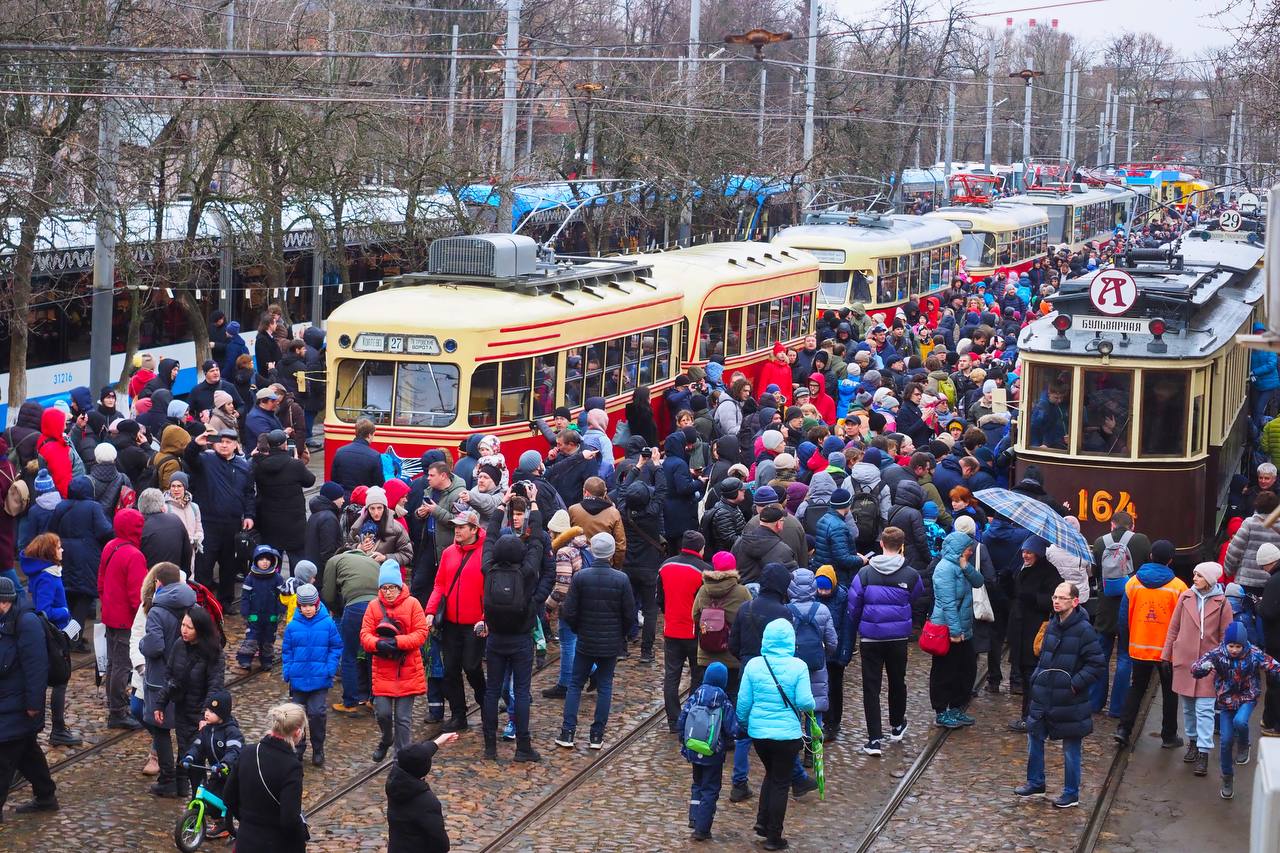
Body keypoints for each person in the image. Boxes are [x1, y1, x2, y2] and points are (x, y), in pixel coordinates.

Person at [1016, 581, 1106, 809]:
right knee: (1034, 736)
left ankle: (1071, 792)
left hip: (1069, 700)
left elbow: (1096, 664)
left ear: (1074, 602)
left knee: (1070, 748)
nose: (1056, 601)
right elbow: (1044, 657)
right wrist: (1036, 678)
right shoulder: (1052, 624)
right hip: (1044, 695)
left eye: (1061, 598)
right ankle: (1035, 782)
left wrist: (1073, 685)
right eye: (1054, 597)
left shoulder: (1084, 630)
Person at [736, 618, 816, 851]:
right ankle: (774, 836)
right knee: (781, 781)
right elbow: (804, 702)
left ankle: (762, 822)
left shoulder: (754, 665)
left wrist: (745, 724)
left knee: (771, 775)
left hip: (760, 735)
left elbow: (743, 703)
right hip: (787, 736)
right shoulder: (798, 666)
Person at [556, 533, 636, 750]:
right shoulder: (621, 579)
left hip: (586, 640)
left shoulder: (582, 577)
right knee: (605, 686)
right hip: (610, 643)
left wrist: (578, 629)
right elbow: (629, 614)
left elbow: (569, 611)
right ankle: (597, 735)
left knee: (575, 684)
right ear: (611, 553)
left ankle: (568, 731)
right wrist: (623, 635)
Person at [848, 526, 924, 754]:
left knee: (871, 687)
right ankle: (897, 724)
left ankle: (873, 739)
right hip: (898, 637)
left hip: (871, 638)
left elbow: (854, 605)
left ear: (881, 543)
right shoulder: (910, 574)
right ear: (902, 545)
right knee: (897, 680)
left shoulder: (865, 574)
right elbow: (916, 596)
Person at [478, 509, 545, 763]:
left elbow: (490, 538)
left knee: (492, 692)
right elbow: (537, 541)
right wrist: (535, 507)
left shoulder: (488, 569)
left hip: (495, 639)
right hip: (521, 639)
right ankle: (523, 747)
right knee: (523, 691)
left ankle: (489, 747)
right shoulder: (526, 572)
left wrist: (499, 509)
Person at [1192, 621, 1280, 800]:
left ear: (1244, 644)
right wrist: (1203, 669)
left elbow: (1273, 665)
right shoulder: (1217, 654)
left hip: (1247, 697)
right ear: (1226, 643)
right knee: (1225, 741)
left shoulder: (1253, 653)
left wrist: (1274, 672)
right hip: (1226, 701)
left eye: (1238, 646)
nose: (1234, 650)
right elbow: (1196, 667)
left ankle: (1244, 744)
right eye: (1231, 645)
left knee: (1240, 722)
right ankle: (1227, 777)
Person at [1161, 562, 1233, 776]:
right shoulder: (1185, 597)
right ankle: (1192, 741)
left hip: (1209, 664)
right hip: (1185, 661)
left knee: (1205, 709)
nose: (1194, 578)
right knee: (1188, 708)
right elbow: (1174, 627)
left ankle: (1203, 751)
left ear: (1210, 579)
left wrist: (1223, 662)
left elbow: (1226, 636)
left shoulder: (1222, 603)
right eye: (1194, 574)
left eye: (1199, 575)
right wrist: (1166, 655)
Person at [1115, 539, 1188, 749]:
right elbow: (1183, 621)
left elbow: (1122, 618)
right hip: (1166, 650)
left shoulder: (1133, 583)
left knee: (1137, 687)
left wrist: (1126, 642)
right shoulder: (1179, 587)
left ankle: (1124, 729)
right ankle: (1169, 736)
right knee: (1169, 692)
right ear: (1171, 560)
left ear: (1150, 556)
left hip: (1139, 645)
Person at [0, 575, 59, 818]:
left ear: (4, 602)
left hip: (19, 705)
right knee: (27, 753)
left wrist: (34, 705)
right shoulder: (5, 620)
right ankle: (46, 795)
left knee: (4, 759)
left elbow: (36, 668)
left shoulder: (27, 623)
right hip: (9, 702)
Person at [426, 510, 488, 732]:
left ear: (474, 530)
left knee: (472, 667)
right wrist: (430, 611)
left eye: (462, 527)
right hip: (451, 621)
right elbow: (440, 585)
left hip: (475, 624)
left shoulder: (485, 553)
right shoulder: (449, 553)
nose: (457, 531)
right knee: (450, 669)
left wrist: (485, 618)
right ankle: (458, 714)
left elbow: (490, 590)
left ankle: (486, 702)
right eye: (455, 527)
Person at [139, 562, 197, 797]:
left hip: (161, 678)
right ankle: (183, 782)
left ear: (158, 583)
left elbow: (154, 646)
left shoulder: (157, 610)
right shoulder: (193, 604)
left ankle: (168, 780)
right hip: (188, 676)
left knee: (160, 728)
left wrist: (142, 644)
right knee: (184, 730)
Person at [363, 561, 429, 760]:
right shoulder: (374, 607)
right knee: (382, 713)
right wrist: (378, 644)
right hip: (383, 670)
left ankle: (401, 759)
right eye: (385, 587)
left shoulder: (413, 604)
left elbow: (421, 633)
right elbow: (365, 634)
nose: (388, 592)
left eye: (392, 587)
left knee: (403, 718)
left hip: (407, 669)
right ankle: (387, 738)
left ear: (399, 586)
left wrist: (398, 642)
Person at [224, 702, 310, 853]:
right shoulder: (291, 766)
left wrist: (248, 822)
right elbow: (289, 819)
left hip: (246, 840)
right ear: (297, 732)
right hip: (276, 844)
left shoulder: (248, 752)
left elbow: (228, 796)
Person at [184, 428, 256, 607]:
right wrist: (195, 444)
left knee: (229, 565)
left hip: (232, 524)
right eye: (221, 441)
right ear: (214, 443)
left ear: (236, 445)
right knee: (204, 565)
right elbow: (190, 458)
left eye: (229, 442)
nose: (224, 445)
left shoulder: (243, 466)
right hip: (208, 522)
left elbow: (249, 493)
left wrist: (249, 515)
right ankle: (202, 602)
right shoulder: (206, 460)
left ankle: (225, 602)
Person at [1091, 511, 1150, 715]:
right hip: (1131, 606)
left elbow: (1096, 575)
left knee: (1101, 655)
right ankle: (1117, 707)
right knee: (1125, 657)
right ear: (1132, 526)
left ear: (1112, 525)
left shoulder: (1099, 543)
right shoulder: (1142, 541)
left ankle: (1095, 702)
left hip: (1105, 607)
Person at [165, 605, 225, 797]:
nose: (184, 630)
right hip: (183, 710)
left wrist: (204, 715)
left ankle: (199, 797)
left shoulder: (213, 653)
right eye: (183, 625)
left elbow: (214, 686)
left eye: (189, 627)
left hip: (201, 714)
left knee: (197, 756)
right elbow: (169, 674)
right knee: (186, 752)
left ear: (199, 629)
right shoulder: (178, 646)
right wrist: (161, 702)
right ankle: (184, 788)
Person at [281, 582, 342, 767]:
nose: (307, 609)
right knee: (297, 717)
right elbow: (287, 650)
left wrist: (330, 669)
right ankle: (298, 748)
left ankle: (318, 747)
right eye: (304, 606)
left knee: (317, 713)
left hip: (320, 679)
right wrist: (288, 670)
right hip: (298, 679)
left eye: (310, 605)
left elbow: (336, 647)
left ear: (316, 604)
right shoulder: (293, 626)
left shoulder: (327, 623)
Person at [47, 474, 114, 643]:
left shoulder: (61, 506)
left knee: (68, 596)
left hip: (62, 555)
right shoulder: (93, 507)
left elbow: (50, 531)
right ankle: (72, 639)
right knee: (84, 599)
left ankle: (66, 635)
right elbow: (105, 531)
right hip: (86, 557)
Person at [678, 660, 739, 842]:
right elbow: (732, 728)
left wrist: (683, 739)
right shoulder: (723, 701)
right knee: (710, 789)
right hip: (713, 752)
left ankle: (694, 817)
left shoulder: (696, 695)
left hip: (694, 749)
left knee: (697, 784)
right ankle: (702, 829)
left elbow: (682, 718)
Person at [98, 508, 148, 730]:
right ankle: (117, 711)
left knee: (112, 663)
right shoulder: (135, 555)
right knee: (122, 665)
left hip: (110, 614)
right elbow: (138, 594)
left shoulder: (110, 546)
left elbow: (100, 581)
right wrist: (145, 617)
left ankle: (114, 703)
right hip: (125, 620)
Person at [1009, 536, 1065, 732]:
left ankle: (1031, 717)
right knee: (1026, 674)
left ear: (1038, 554)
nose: (1025, 555)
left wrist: (1033, 598)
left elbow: (1054, 601)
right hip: (1020, 627)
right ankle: (1030, 715)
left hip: (1034, 630)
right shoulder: (1021, 568)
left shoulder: (1049, 573)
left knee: (1032, 675)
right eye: (1024, 551)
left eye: (1029, 552)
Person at [322, 527, 380, 714]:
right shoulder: (371, 562)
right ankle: (374, 700)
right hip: (378, 609)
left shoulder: (335, 560)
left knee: (349, 654)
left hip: (355, 608)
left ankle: (350, 702)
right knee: (373, 653)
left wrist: (338, 611)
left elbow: (328, 594)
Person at [929, 531, 983, 729]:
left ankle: (956, 707)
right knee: (945, 671)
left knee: (966, 669)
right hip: (948, 628)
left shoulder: (961, 566)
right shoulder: (944, 569)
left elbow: (979, 581)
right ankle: (941, 711)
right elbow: (947, 603)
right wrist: (954, 631)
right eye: (969, 548)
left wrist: (966, 567)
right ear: (961, 549)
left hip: (964, 628)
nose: (971, 550)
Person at [658, 531, 708, 732]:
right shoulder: (704, 571)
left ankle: (673, 719)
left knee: (672, 675)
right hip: (695, 631)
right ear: (700, 549)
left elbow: (659, 599)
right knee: (697, 675)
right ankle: (691, 715)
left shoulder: (665, 566)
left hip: (671, 628)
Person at [178, 691, 242, 840]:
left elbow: (234, 751)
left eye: (211, 711)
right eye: (206, 710)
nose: (206, 714)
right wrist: (189, 757)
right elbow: (198, 746)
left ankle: (243, 824)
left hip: (231, 773)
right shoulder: (206, 730)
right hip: (216, 771)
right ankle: (221, 824)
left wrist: (225, 763)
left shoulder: (232, 731)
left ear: (223, 714)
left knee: (232, 801)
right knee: (210, 798)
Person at [253, 430, 316, 572]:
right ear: (285, 445)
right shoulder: (295, 465)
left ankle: (272, 587)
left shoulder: (260, 466)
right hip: (294, 522)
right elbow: (310, 480)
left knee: (273, 558)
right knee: (297, 557)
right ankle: (296, 587)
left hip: (270, 521)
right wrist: (296, 461)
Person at [385, 734, 459, 853]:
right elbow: (440, 843)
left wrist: (437, 742)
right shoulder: (427, 801)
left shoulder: (394, 782)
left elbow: (414, 757)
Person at [236, 545, 286, 673]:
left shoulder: (277, 578)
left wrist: (280, 611)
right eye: (261, 559)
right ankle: (245, 659)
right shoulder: (250, 578)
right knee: (251, 638)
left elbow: (282, 597)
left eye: (268, 559)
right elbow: (245, 597)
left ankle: (266, 660)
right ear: (256, 561)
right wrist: (245, 612)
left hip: (271, 616)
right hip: (254, 615)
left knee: (268, 640)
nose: (265, 562)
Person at [1224, 491, 1280, 597]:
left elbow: (1235, 550)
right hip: (1273, 580)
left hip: (1247, 580)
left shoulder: (1249, 523)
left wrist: (1229, 570)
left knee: (1246, 610)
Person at [138, 487, 193, 574]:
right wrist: (184, 575)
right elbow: (187, 552)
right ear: (162, 505)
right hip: (175, 578)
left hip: (150, 580)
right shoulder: (176, 520)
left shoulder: (140, 527)